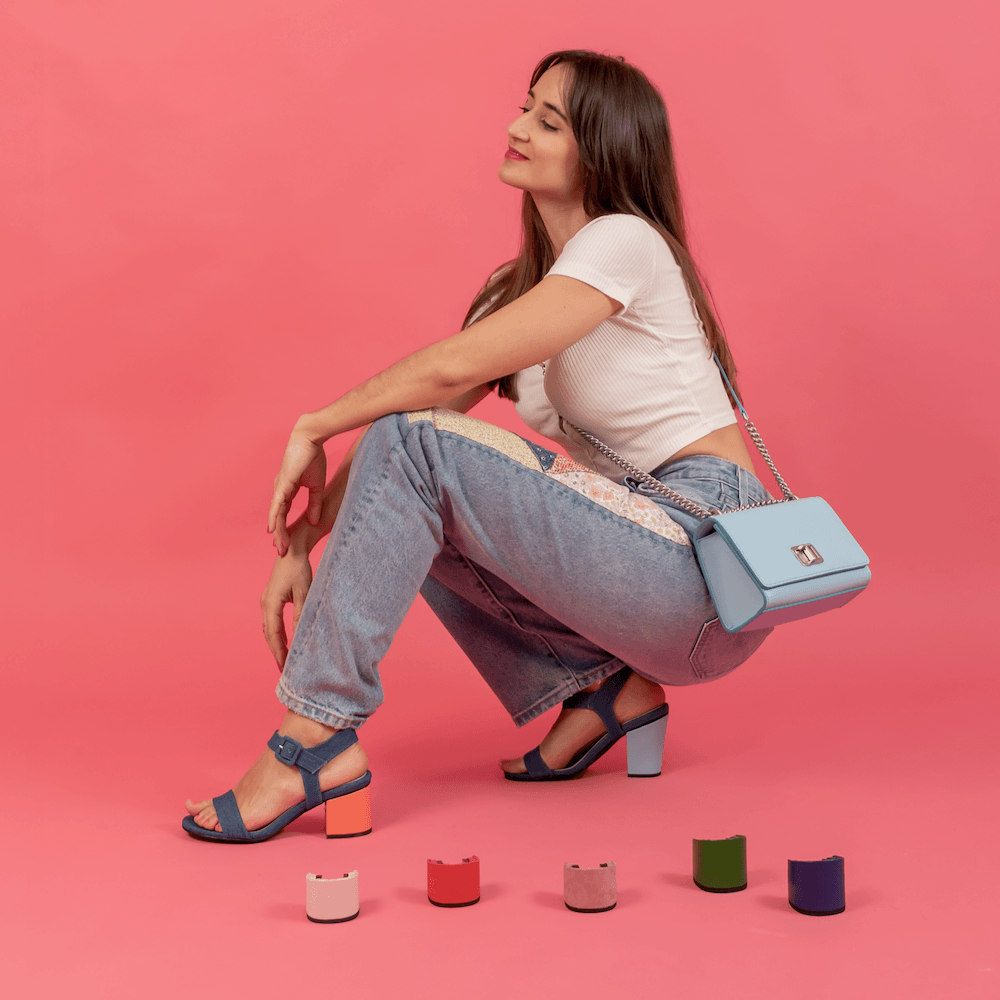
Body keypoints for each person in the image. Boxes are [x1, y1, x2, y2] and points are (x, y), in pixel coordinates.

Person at [183, 49, 775, 843]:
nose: (516, 127)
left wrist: (315, 424)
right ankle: (601, 691)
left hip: (707, 564)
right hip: (640, 582)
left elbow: (443, 381)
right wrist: (301, 541)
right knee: (413, 475)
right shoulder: (516, 292)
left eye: (547, 121)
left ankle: (313, 737)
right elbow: (405, 455)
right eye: (525, 108)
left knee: (415, 445)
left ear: (601, 152)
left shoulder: (625, 242)